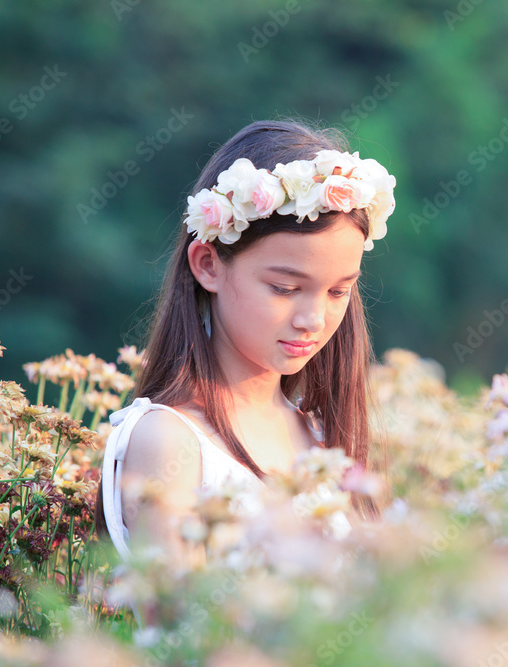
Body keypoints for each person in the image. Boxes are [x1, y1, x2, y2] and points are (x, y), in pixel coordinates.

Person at [92, 119, 395, 614]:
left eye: (339, 291)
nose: (313, 319)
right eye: (283, 287)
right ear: (208, 264)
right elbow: (176, 629)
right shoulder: (170, 441)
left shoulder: (321, 436)